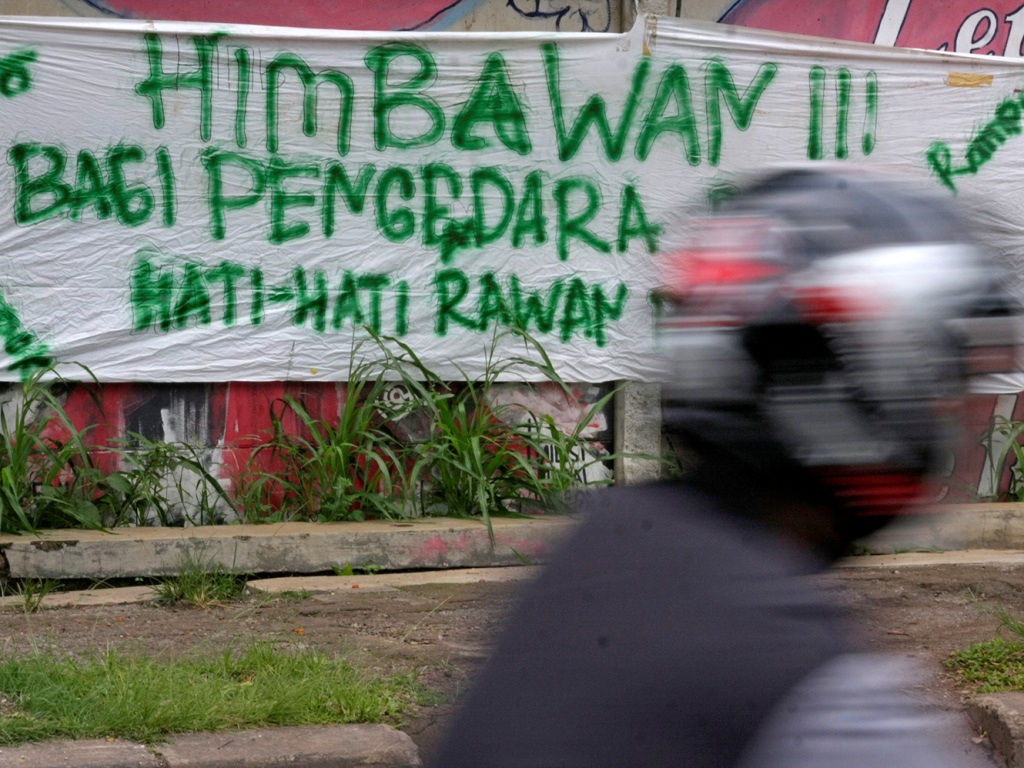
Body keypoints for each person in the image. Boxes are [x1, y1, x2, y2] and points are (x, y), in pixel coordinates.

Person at [430, 167, 1019, 768]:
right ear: (863, 378)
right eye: (944, 379)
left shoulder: (604, 547)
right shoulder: (812, 691)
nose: (957, 415)